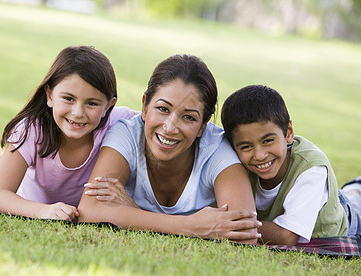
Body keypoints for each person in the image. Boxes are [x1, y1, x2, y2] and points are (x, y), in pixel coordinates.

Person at [78, 54, 261, 243]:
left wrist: (132, 213)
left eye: (188, 117)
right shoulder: (127, 135)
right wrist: (191, 226)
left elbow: (245, 234)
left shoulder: (217, 151)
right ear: (145, 106)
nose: (170, 128)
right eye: (163, 109)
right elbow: (89, 211)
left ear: (203, 126)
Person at [0, 46, 135, 221]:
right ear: (50, 96)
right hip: (35, 206)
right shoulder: (31, 130)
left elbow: (155, 121)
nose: (78, 112)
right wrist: (44, 211)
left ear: (108, 106)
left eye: (92, 103)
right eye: (69, 99)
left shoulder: (119, 121)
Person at [221, 84, 361, 246]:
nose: (259, 155)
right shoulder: (232, 164)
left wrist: (227, 227)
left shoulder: (311, 168)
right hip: (309, 199)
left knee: (351, 204)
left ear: (288, 133)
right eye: (246, 146)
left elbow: (286, 236)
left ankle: (360, 188)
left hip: (338, 218)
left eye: (268, 141)